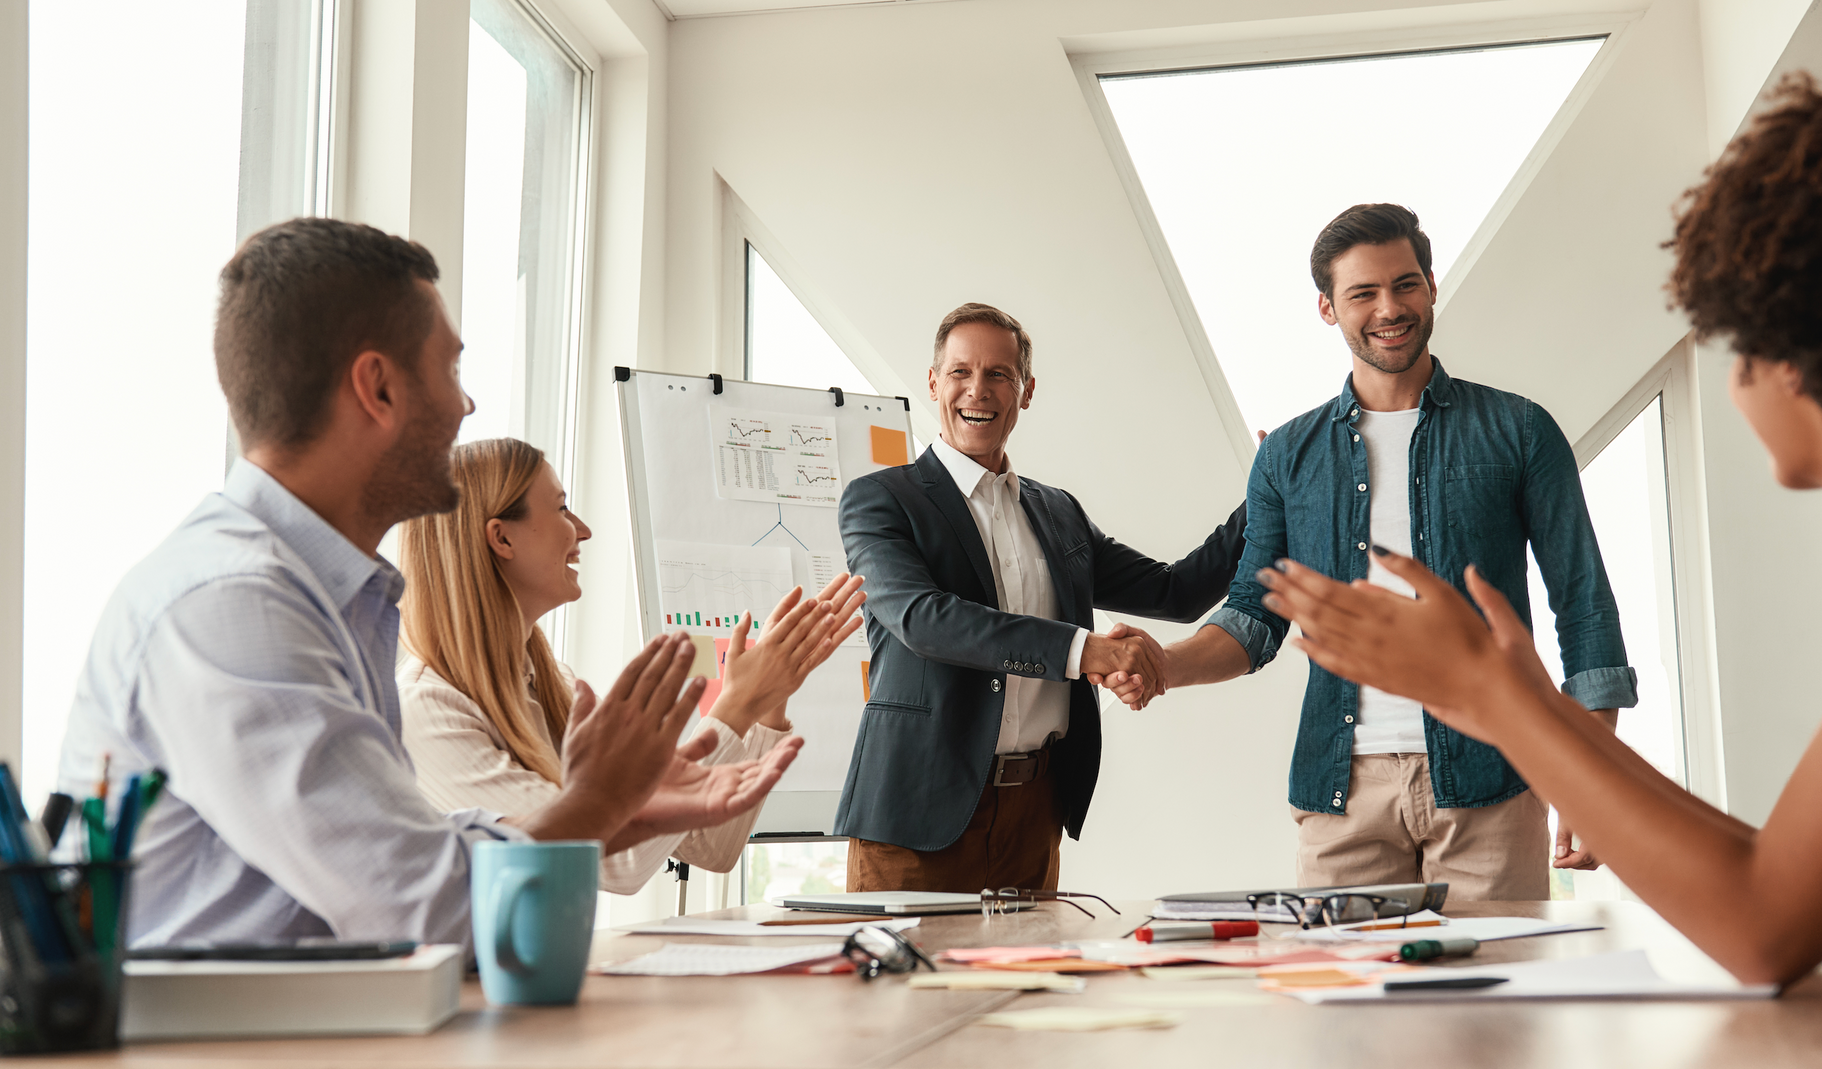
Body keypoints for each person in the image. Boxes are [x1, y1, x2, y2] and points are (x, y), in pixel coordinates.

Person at [1258, 69, 1822, 983]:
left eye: (1738, 341)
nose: (1733, 380)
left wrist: (1496, 698)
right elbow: (1776, 870)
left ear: (1807, 352)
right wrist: (1534, 718)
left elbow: (1767, 924)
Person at [54, 218, 799, 947]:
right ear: (376, 388)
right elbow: (417, 905)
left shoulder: (324, 595)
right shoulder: (234, 604)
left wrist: (612, 812)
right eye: (449, 369)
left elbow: (410, 852)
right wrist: (596, 805)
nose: (464, 405)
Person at [1107, 204, 1637, 900]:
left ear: (1432, 286)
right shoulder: (1286, 457)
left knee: (1496, 1008)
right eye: (1363, 293)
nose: (1390, 307)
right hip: (1342, 791)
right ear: (1328, 308)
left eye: (1405, 284)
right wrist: (1166, 666)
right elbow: (1253, 618)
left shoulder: (1519, 431)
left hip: (1493, 781)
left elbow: (1584, 604)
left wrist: (1590, 782)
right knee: (1345, 1005)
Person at [835, 302, 1247, 892]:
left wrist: (1267, 495)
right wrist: (1088, 652)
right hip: (916, 812)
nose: (977, 390)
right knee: (902, 987)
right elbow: (924, 620)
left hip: (1034, 811)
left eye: (998, 374)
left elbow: (1176, 591)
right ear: (933, 383)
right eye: (960, 372)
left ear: (1025, 391)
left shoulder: (1058, 512)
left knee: (1028, 983)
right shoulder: (880, 500)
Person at [395, 437, 864, 892]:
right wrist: (736, 705)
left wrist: (767, 700)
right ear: (502, 538)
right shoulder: (429, 709)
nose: (582, 529)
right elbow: (614, 863)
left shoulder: (551, 683)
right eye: (560, 508)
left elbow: (710, 848)